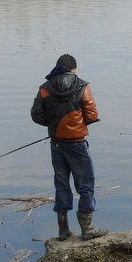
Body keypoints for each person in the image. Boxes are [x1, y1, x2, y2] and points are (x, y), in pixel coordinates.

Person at [30, 53, 107, 241]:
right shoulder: (82, 86)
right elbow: (92, 114)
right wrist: (76, 125)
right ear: (74, 69)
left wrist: (55, 125)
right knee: (86, 184)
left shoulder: (45, 88)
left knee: (61, 184)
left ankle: (63, 230)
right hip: (77, 143)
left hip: (57, 144)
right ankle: (87, 228)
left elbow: (36, 115)